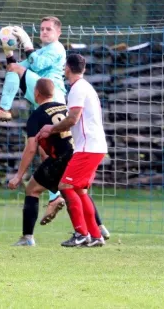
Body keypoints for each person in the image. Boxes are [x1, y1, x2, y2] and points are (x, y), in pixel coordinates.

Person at [0, 16, 68, 220]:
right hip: (43, 103)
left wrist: (26, 43)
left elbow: (35, 66)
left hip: (53, 98)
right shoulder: (41, 51)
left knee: (52, 153)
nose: (44, 32)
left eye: (48, 29)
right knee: (45, 152)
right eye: (42, 29)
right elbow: (17, 66)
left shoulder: (57, 49)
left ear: (58, 33)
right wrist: (8, 53)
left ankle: (3, 109)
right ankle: (56, 197)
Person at [8, 78, 109, 246]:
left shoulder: (37, 115)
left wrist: (19, 176)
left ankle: (28, 237)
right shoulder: (64, 107)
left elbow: (31, 148)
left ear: (36, 93)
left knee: (32, 189)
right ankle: (98, 229)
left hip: (61, 158)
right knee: (80, 191)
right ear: (53, 93)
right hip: (78, 152)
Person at [38, 54, 109, 247]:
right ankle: (95, 236)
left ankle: (81, 234)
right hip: (92, 146)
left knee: (65, 186)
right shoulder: (85, 87)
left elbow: (73, 118)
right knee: (80, 190)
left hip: (88, 147)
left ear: (67, 68)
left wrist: (50, 129)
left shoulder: (77, 88)